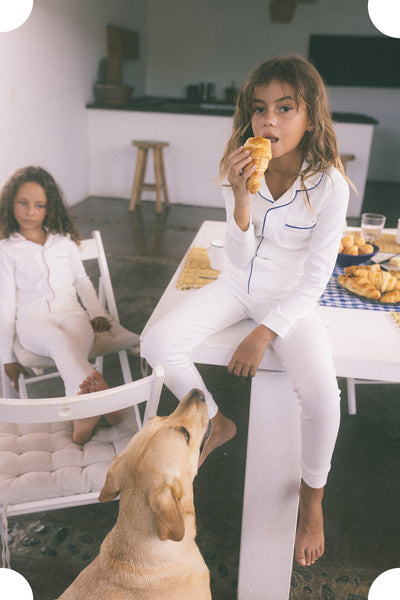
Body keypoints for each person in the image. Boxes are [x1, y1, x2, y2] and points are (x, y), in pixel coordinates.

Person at [142, 54, 350, 567]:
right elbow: (236, 258)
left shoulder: (330, 186)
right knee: (156, 343)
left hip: (290, 297)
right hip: (236, 284)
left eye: (284, 108)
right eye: (259, 109)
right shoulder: (237, 168)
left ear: (310, 117)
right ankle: (216, 420)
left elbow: (317, 278)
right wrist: (239, 199)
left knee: (323, 397)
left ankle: (311, 501)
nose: (269, 121)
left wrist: (264, 332)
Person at [0, 166, 122, 444]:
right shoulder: (6, 250)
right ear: (10, 204)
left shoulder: (64, 243)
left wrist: (98, 312)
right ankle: (104, 404)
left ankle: (82, 415)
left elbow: (82, 281)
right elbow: (5, 304)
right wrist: (5, 357)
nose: (30, 211)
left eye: (39, 205)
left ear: (49, 208)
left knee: (74, 344)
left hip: (72, 313)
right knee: (58, 341)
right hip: (33, 322)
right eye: (23, 203)